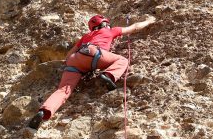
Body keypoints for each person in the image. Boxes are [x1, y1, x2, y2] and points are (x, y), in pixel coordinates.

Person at [28, 14, 156, 130]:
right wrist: (149, 21)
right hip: (96, 55)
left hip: (75, 61)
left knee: (63, 90)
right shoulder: (110, 30)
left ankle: (44, 112)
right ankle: (108, 75)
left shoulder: (86, 37)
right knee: (122, 60)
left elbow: (69, 54)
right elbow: (134, 27)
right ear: (105, 23)